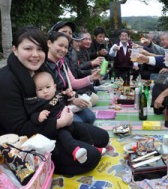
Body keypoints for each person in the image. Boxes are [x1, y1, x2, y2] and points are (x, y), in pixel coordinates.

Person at [0, 26, 109, 175]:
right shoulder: (6, 81)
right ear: (15, 49)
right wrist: (59, 123)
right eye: (28, 49)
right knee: (92, 157)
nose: (35, 55)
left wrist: (67, 97)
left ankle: (73, 145)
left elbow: (54, 95)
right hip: (29, 139)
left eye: (39, 49)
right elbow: (19, 130)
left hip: (55, 122)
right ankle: (45, 168)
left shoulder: (41, 68)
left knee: (103, 137)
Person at [32, 72, 104, 164]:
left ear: (54, 87)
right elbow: (33, 115)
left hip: (69, 122)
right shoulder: (40, 103)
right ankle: (75, 152)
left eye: (48, 87)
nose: (45, 91)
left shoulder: (57, 95)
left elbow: (64, 99)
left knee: (83, 130)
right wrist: (39, 116)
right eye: (40, 89)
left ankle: (92, 147)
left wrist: (68, 95)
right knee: (66, 138)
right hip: (59, 128)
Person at [44, 30, 101, 124]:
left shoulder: (62, 63)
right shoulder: (44, 65)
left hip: (68, 100)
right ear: (49, 43)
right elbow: (48, 96)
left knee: (90, 117)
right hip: (54, 106)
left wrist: (92, 77)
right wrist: (72, 99)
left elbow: (73, 83)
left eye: (66, 47)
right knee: (80, 123)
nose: (63, 50)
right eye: (60, 45)